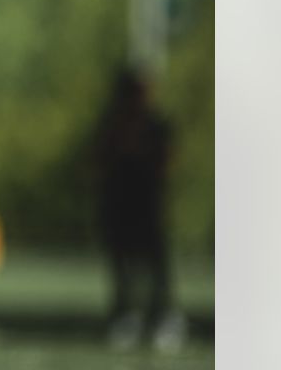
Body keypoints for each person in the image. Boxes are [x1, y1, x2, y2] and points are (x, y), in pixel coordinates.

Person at [95, 69, 186, 352]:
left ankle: (162, 318)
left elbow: (166, 162)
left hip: (147, 205)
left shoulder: (155, 126)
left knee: (156, 267)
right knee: (123, 268)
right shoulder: (112, 125)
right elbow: (97, 162)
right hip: (120, 205)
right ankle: (125, 318)